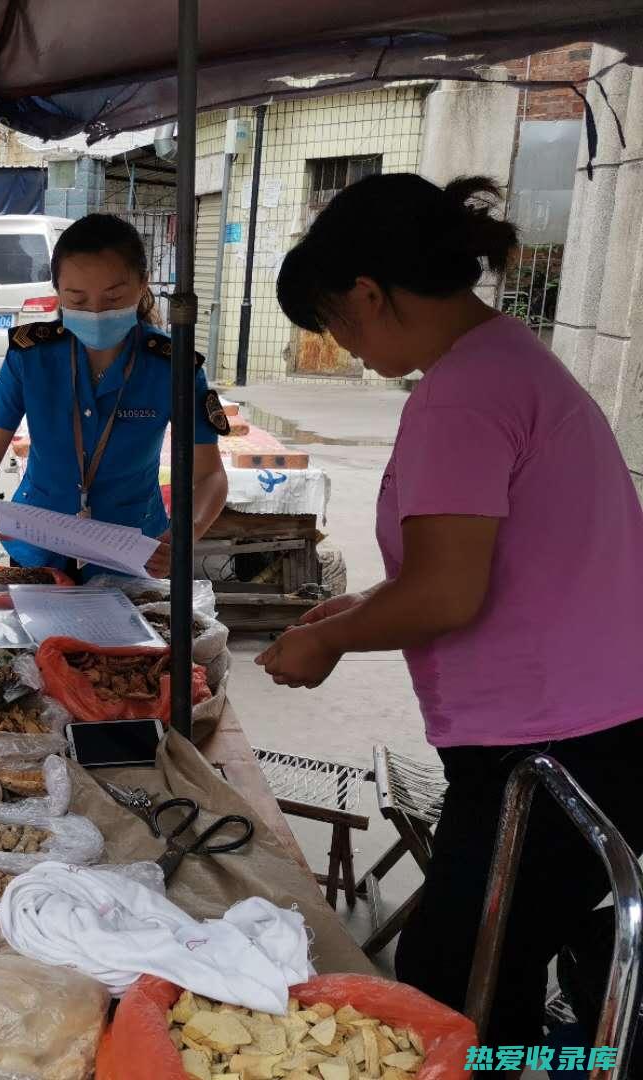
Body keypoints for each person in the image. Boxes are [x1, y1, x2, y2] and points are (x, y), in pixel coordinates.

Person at [258, 173, 643, 1041]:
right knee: (507, 961)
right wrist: (352, 607)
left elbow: (445, 592)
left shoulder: (461, 396)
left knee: (452, 984)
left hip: (551, 752)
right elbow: (484, 560)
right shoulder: (508, 360)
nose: (343, 345)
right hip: (602, 732)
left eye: (335, 323)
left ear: (367, 293)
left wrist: (332, 645)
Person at [0, 213, 230, 579]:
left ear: (144, 284)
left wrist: (187, 533)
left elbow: (210, 474)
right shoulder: (30, 356)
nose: (97, 312)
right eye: (78, 299)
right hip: (37, 545)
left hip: (134, 549)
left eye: (114, 296)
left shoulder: (172, 367)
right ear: (58, 292)